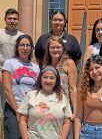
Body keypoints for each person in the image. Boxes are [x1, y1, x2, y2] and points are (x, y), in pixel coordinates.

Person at [2, 34, 40, 139]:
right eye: (22, 45)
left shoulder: (36, 68)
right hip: (14, 108)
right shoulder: (10, 63)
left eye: (28, 45)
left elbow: (37, 90)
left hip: (30, 110)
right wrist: (18, 111)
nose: (25, 48)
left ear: (32, 48)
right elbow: (7, 89)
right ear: (17, 47)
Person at [18, 65, 72, 139]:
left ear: (56, 81)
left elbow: (67, 122)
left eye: (52, 78)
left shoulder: (63, 98)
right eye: (45, 77)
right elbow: (22, 120)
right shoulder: (30, 95)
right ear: (40, 79)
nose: (48, 80)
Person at [44, 36, 77, 138]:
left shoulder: (69, 63)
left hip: (65, 108)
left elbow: (73, 88)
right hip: (50, 108)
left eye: (58, 47)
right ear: (48, 49)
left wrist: (75, 112)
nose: (55, 50)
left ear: (62, 48)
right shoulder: (45, 65)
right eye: (52, 47)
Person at [0, 8, 24, 138]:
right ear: (5, 19)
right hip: (1, 77)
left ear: (18, 20)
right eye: (10, 18)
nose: (12, 21)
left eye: (15, 19)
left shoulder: (22, 36)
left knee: (14, 109)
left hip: (17, 80)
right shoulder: (0, 34)